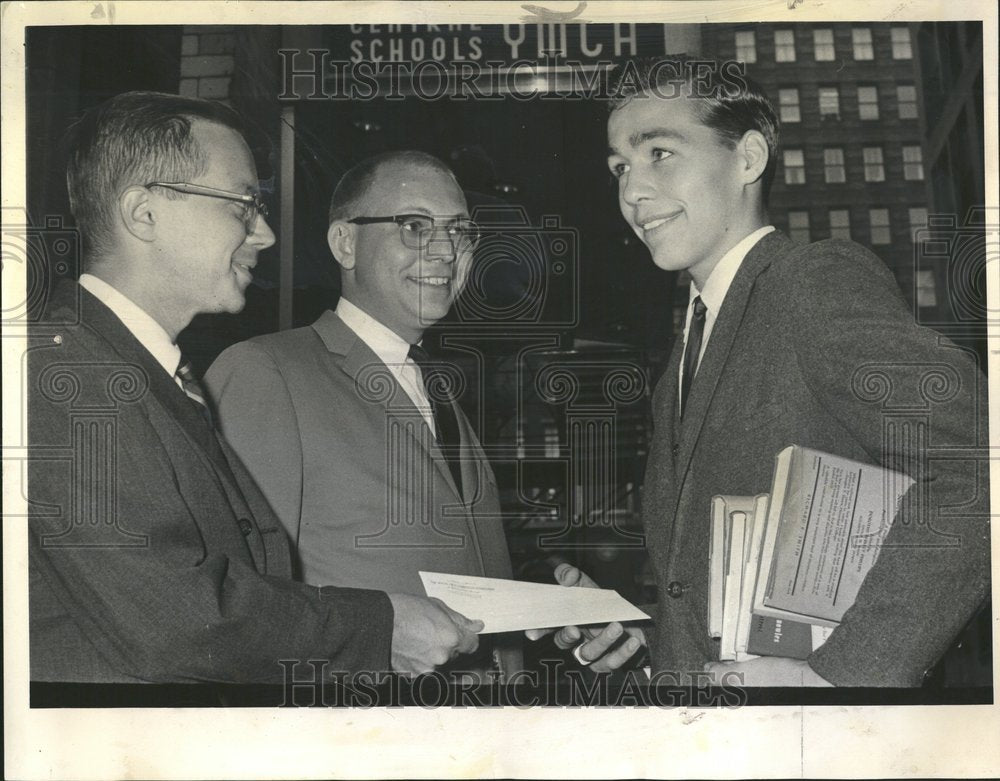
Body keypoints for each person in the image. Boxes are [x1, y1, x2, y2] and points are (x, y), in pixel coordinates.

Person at [534, 57, 989, 687]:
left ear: (748, 159)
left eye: (659, 153)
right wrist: (645, 637)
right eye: (620, 167)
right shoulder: (688, 349)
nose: (632, 191)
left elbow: (980, 463)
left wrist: (842, 677)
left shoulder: (811, 284)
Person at [28, 92, 483, 685]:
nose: (265, 234)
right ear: (143, 213)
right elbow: (178, 625)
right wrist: (381, 628)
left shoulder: (137, 371)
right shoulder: (67, 375)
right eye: (243, 205)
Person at [205, 151, 520, 680]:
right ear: (344, 243)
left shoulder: (438, 389)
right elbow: (236, 603)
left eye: (460, 231)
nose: (445, 250)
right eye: (415, 226)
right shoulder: (267, 373)